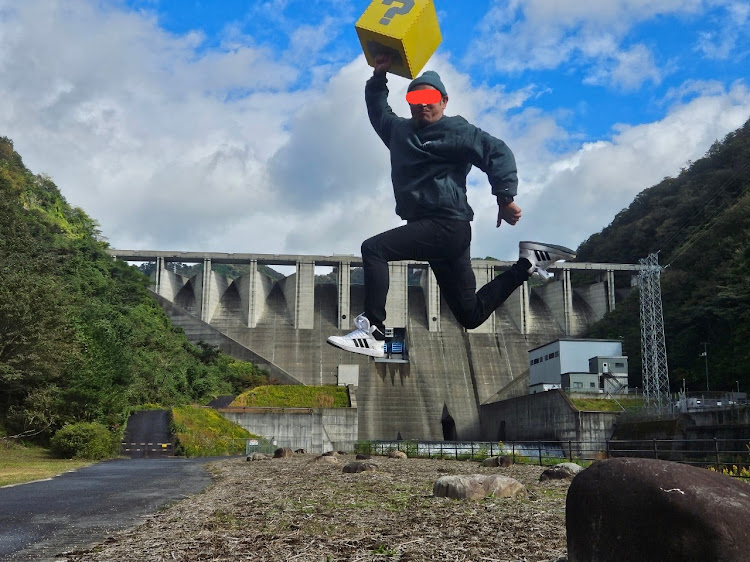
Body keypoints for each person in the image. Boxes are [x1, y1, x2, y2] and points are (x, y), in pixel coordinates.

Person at [327, 54, 575, 358]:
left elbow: (497, 153)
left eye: (430, 98)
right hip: (436, 236)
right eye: (416, 99)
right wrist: (379, 76)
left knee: (374, 249)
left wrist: (505, 197)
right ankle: (528, 263)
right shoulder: (398, 132)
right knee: (470, 315)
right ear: (410, 103)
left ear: (444, 101)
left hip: (447, 225)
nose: (423, 104)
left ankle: (373, 330)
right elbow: (378, 110)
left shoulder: (459, 131)